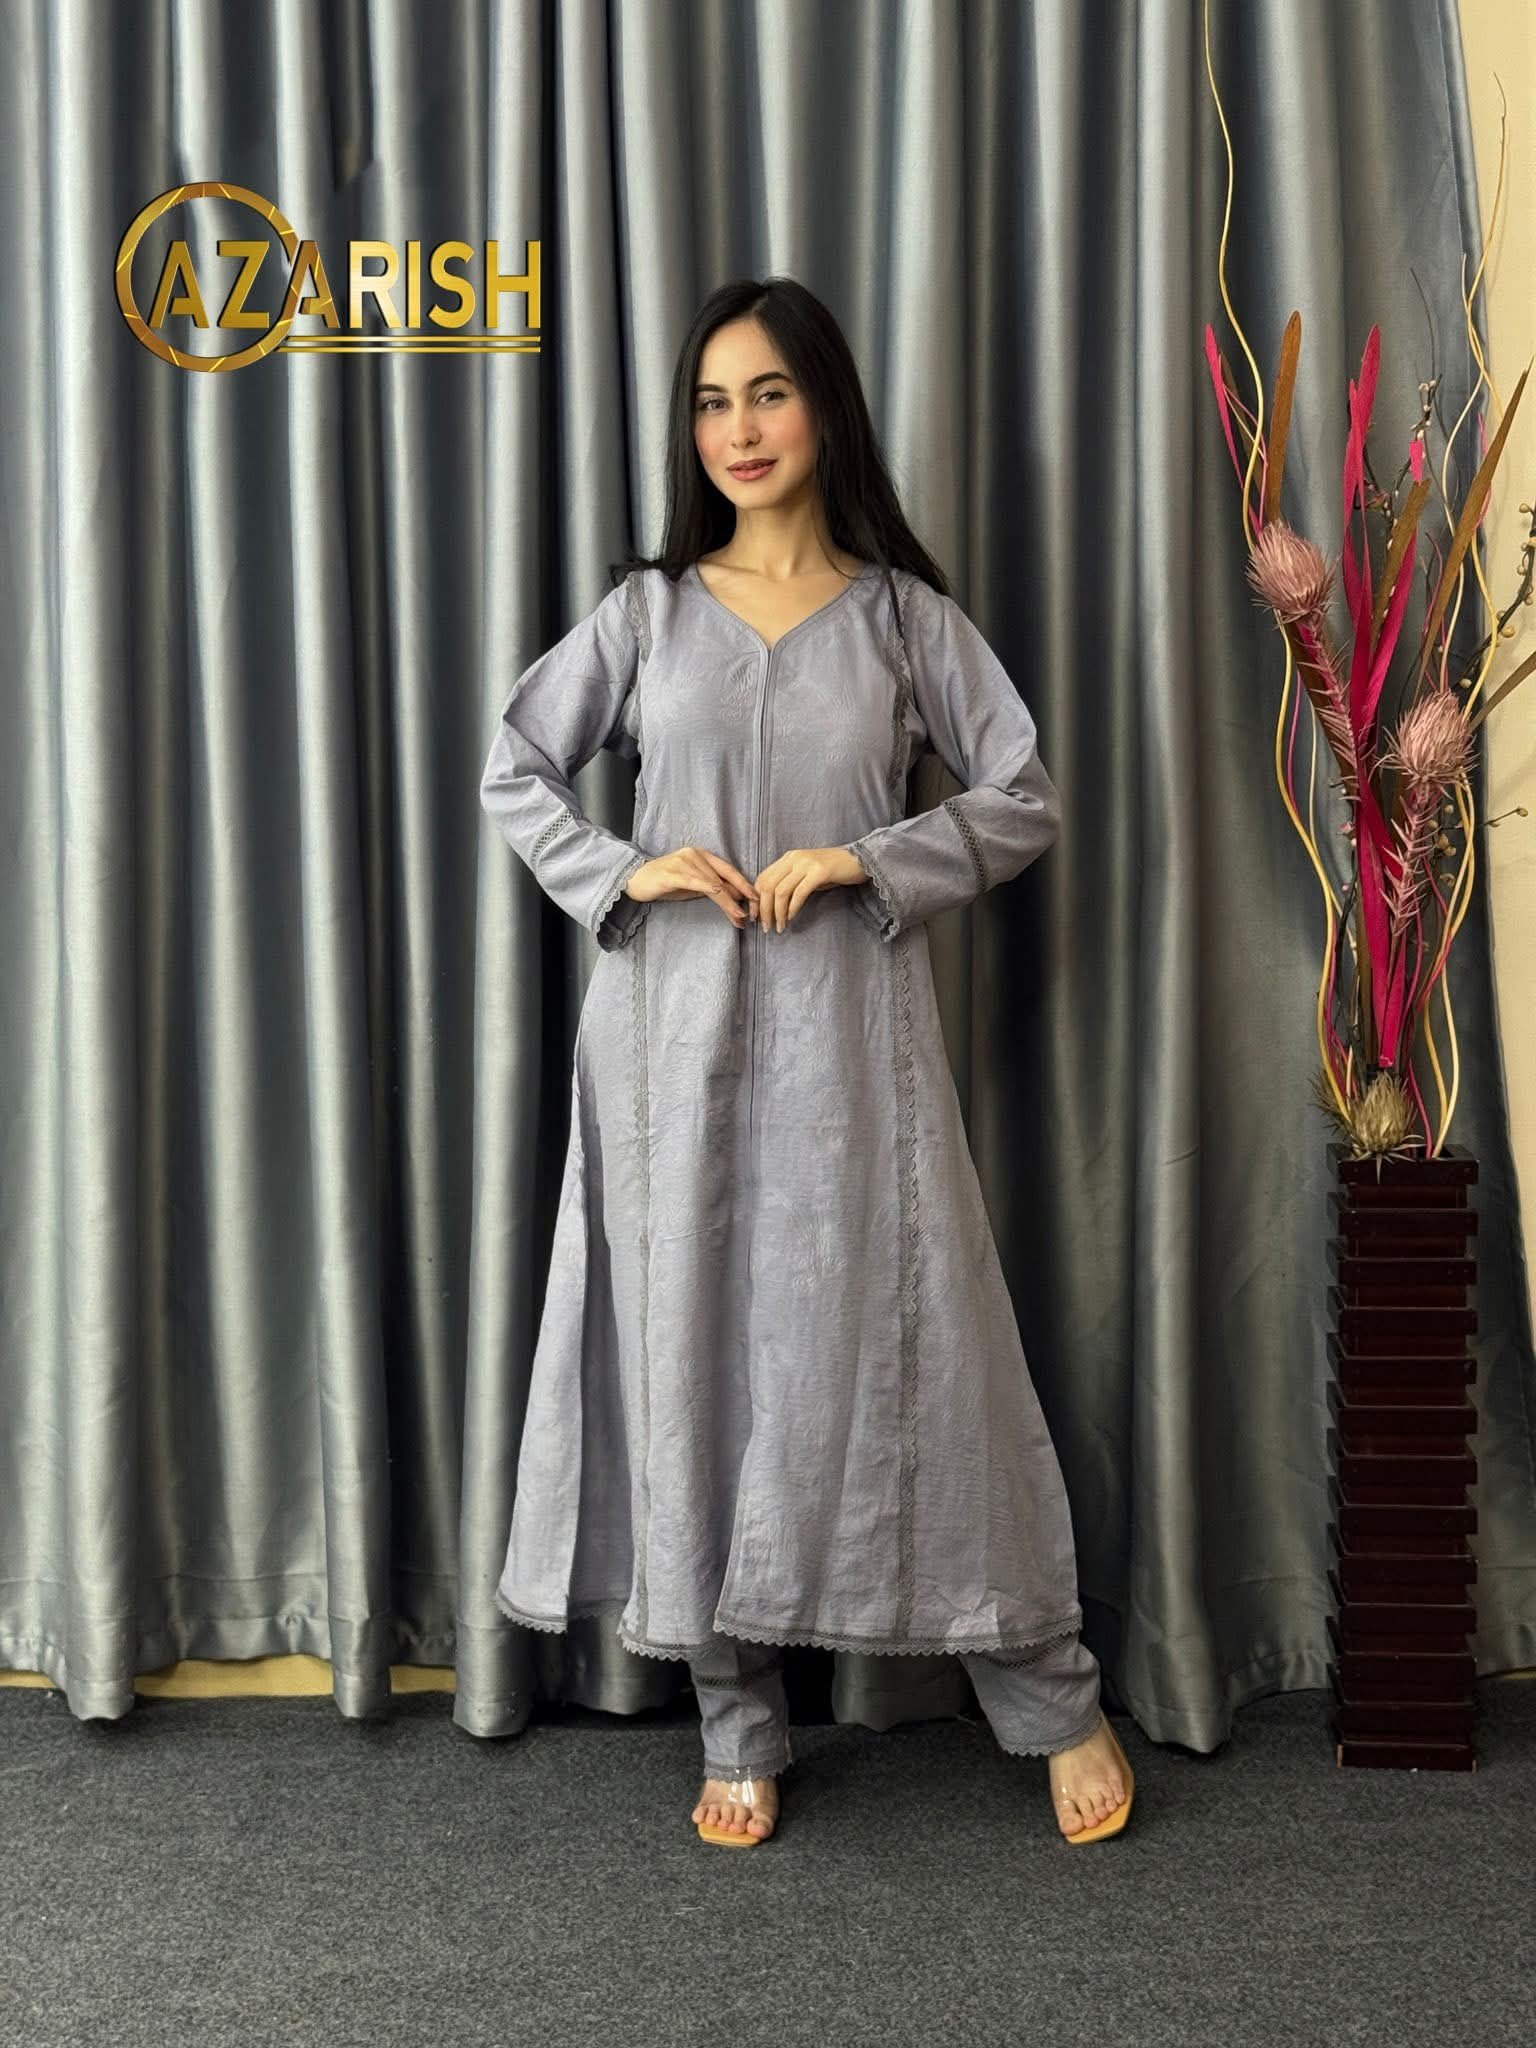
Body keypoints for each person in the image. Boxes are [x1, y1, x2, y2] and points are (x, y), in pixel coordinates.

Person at [480, 275, 1133, 1849]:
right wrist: (626, 869)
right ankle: (738, 1722)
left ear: (824, 405)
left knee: (928, 1347)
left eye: (767, 393)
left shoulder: (904, 620)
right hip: (668, 1046)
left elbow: (1024, 795)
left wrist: (867, 858)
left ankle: (1053, 1697)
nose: (740, 429)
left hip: (857, 1050)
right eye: (712, 402)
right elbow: (516, 766)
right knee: (692, 1363)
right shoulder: (648, 615)